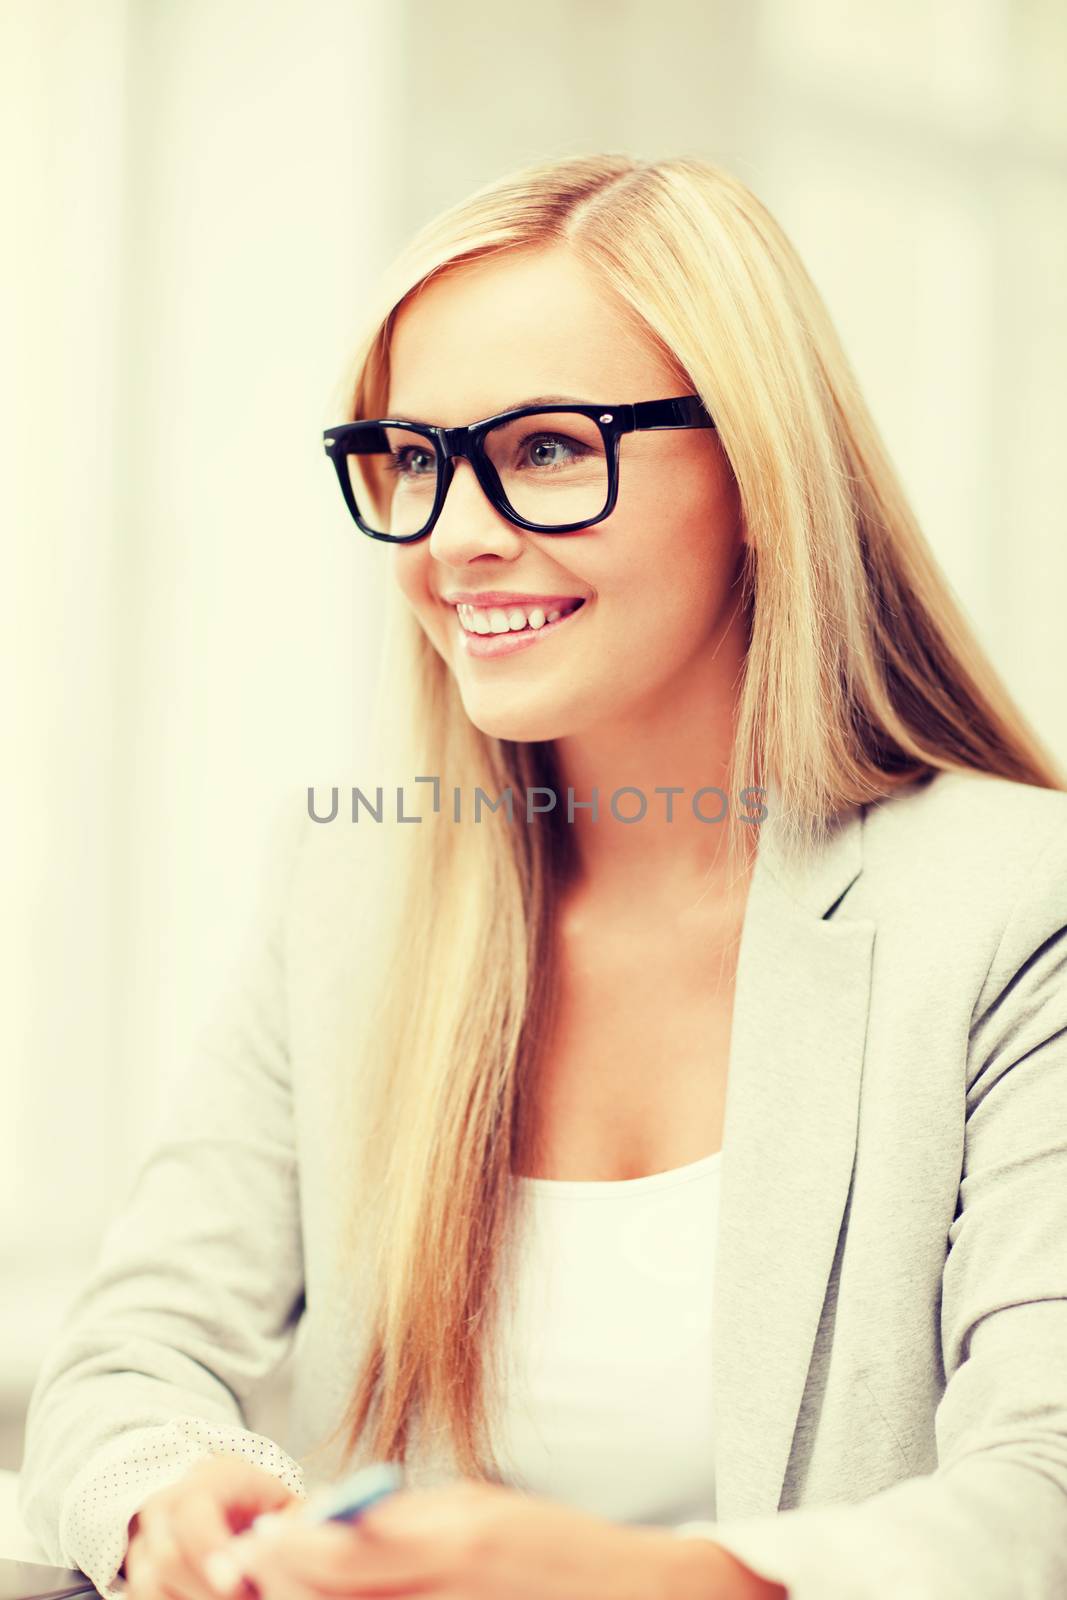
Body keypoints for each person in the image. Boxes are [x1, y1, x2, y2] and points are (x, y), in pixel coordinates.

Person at [18, 151, 1067, 1600]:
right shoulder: (353, 886)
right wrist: (180, 1504)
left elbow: (1046, 1495)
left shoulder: (1020, 909)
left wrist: (633, 1580)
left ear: (762, 469)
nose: (453, 539)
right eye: (412, 458)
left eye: (550, 449)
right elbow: (130, 1358)